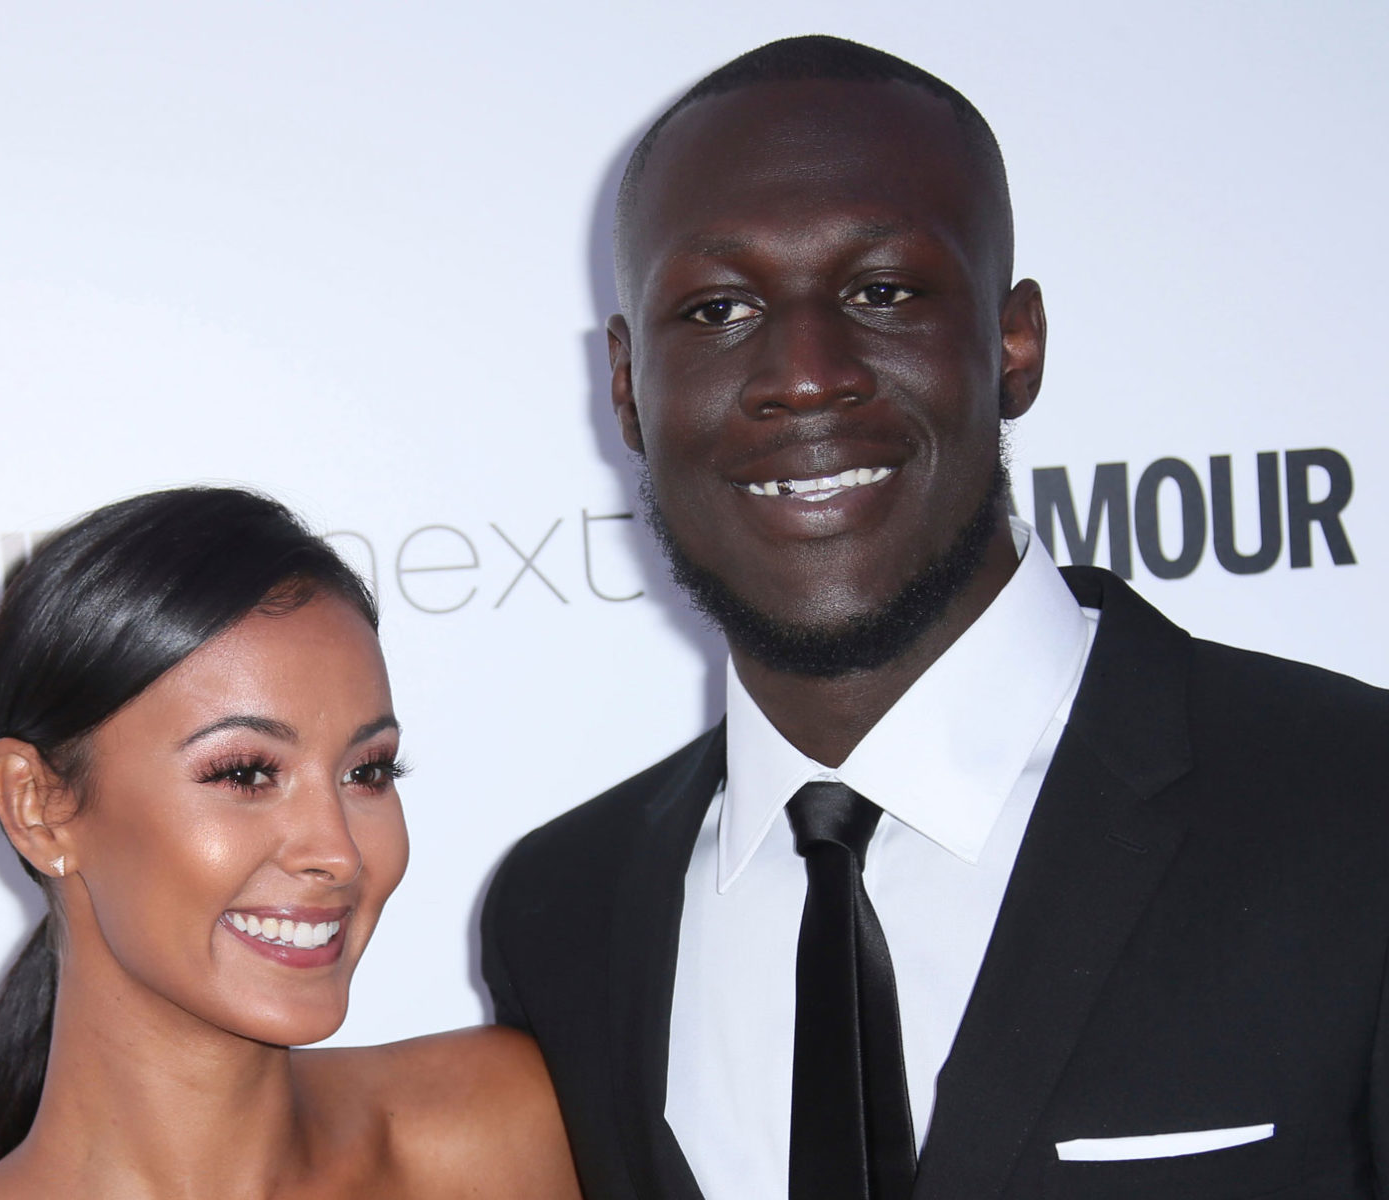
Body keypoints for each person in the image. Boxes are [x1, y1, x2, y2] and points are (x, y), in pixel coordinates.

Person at [481, 34, 1389, 1200]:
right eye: (716, 309)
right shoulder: (564, 910)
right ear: (624, 388)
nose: (804, 374)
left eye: (881, 292)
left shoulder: (1353, 808)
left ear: (1013, 342)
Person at [0, 486, 578, 1199]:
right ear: (36, 806)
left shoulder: (509, 1129)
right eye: (246, 773)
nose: (339, 852)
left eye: (367, 771)